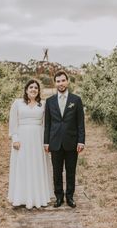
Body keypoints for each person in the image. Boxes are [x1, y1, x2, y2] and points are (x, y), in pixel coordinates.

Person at [8, 79, 53, 209]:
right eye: (31, 87)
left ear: (38, 91)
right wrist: (15, 138)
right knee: (23, 165)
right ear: (26, 89)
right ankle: (22, 196)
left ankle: (38, 196)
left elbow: (46, 124)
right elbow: (13, 122)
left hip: (38, 138)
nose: (33, 89)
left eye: (36, 88)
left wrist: (46, 141)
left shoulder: (43, 104)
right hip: (22, 138)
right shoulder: (17, 103)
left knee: (37, 165)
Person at [44, 70, 85, 208]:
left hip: (71, 142)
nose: (60, 83)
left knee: (70, 170)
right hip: (55, 142)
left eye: (63, 80)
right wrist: (46, 142)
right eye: (58, 81)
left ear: (67, 81)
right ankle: (59, 197)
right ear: (55, 83)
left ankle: (70, 197)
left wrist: (81, 141)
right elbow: (48, 124)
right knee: (57, 171)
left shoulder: (76, 100)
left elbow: (80, 123)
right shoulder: (49, 101)